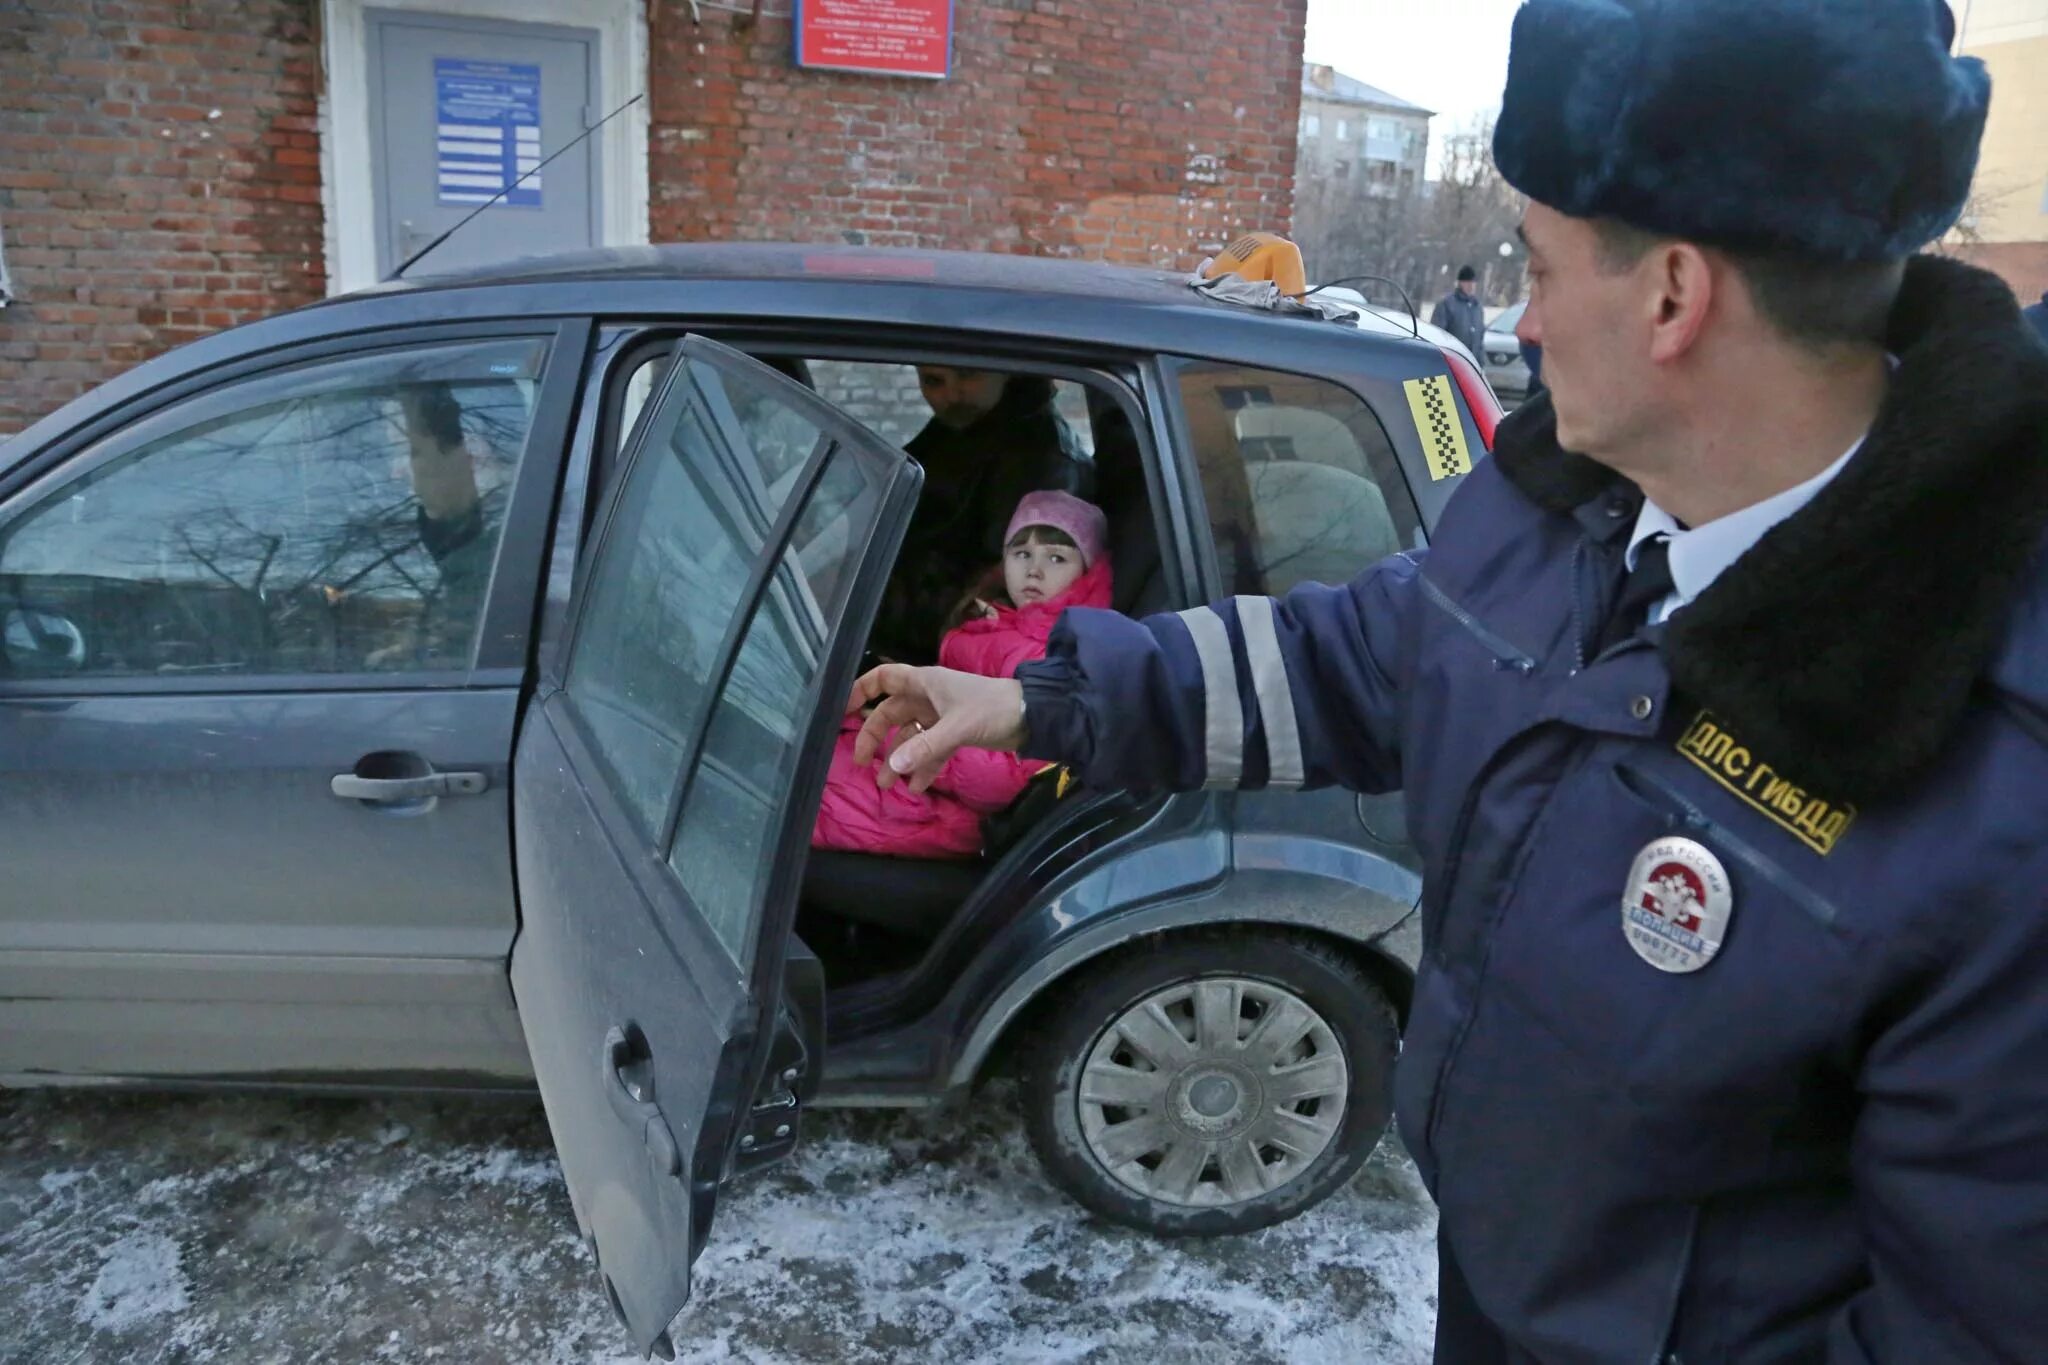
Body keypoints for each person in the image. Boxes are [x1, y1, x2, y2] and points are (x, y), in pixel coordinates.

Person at [845, 1, 2048, 1360]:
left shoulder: (1996, 782)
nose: (1520, 321)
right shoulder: (1561, 505)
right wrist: (1041, 700)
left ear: (1673, 297)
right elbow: (1371, 656)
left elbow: (1973, 1321)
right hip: (1498, 1287)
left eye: (1537, 265)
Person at [813, 491, 1111, 860]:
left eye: (1056, 557)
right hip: (918, 766)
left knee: (801, 793)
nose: (1034, 569)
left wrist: (904, 734)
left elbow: (999, 780)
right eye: (1022, 554)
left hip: (950, 808)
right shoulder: (999, 619)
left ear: (1088, 572)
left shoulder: (1059, 656)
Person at [867, 367, 1094, 664]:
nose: (952, 394)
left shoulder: (1045, 467)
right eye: (933, 381)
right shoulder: (961, 428)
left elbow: (996, 598)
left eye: (968, 375)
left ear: (1006, 371)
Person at [1430, 264, 1486, 359]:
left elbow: (1480, 338)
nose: (1471, 285)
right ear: (1460, 283)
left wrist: (1480, 364)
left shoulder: (1477, 307)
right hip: (1452, 360)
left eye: (1473, 282)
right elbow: (1437, 334)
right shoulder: (1447, 304)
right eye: (1467, 282)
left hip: (1472, 361)